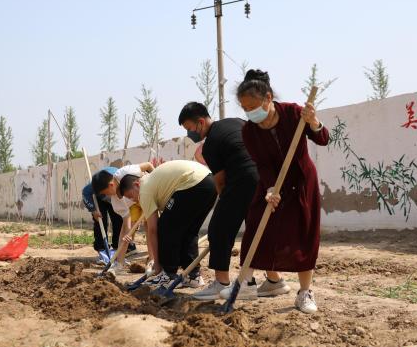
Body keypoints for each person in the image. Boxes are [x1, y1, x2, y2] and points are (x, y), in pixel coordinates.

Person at [219, 69, 329, 314]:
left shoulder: (293, 113)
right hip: (272, 182)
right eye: (244, 108)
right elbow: (262, 164)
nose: (249, 113)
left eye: (252, 106)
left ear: (268, 98)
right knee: (258, 223)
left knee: (304, 233)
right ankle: (245, 283)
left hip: (301, 181)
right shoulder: (249, 131)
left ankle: (304, 292)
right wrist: (270, 187)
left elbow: (323, 138)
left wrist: (313, 121)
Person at [178, 102, 290, 300]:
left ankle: (221, 282)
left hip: (243, 180)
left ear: (201, 122)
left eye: (190, 129)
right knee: (257, 231)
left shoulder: (210, 144)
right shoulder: (235, 122)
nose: (190, 134)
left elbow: (220, 182)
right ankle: (275, 281)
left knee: (218, 230)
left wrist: (224, 209)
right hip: (265, 179)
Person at [119, 160, 216, 287]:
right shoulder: (153, 182)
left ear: (136, 184)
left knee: (165, 228)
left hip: (192, 183)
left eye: (131, 196)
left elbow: (153, 230)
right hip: (210, 182)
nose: (134, 200)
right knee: (189, 231)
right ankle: (193, 276)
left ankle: (168, 275)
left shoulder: (144, 190)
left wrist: (158, 264)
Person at [91, 162, 155, 267]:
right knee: (125, 232)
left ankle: (152, 260)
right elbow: (126, 220)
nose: (106, 196)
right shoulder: (116, 201)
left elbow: (148, 165)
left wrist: (155, 180)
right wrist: (128, 233)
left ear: (111, 185)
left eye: (105, 193)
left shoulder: (126, 171)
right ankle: (119, 263)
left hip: (147, 195)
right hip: (134, 203)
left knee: (149, 226)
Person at [82, 167, 125, 264]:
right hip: (100, 199)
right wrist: (93, 210)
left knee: (119, 220)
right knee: (100, 221)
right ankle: (102, 248)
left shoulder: (122, 180)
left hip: (116, 197)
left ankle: (118, 248)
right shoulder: (96, 186)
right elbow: (85, 193)